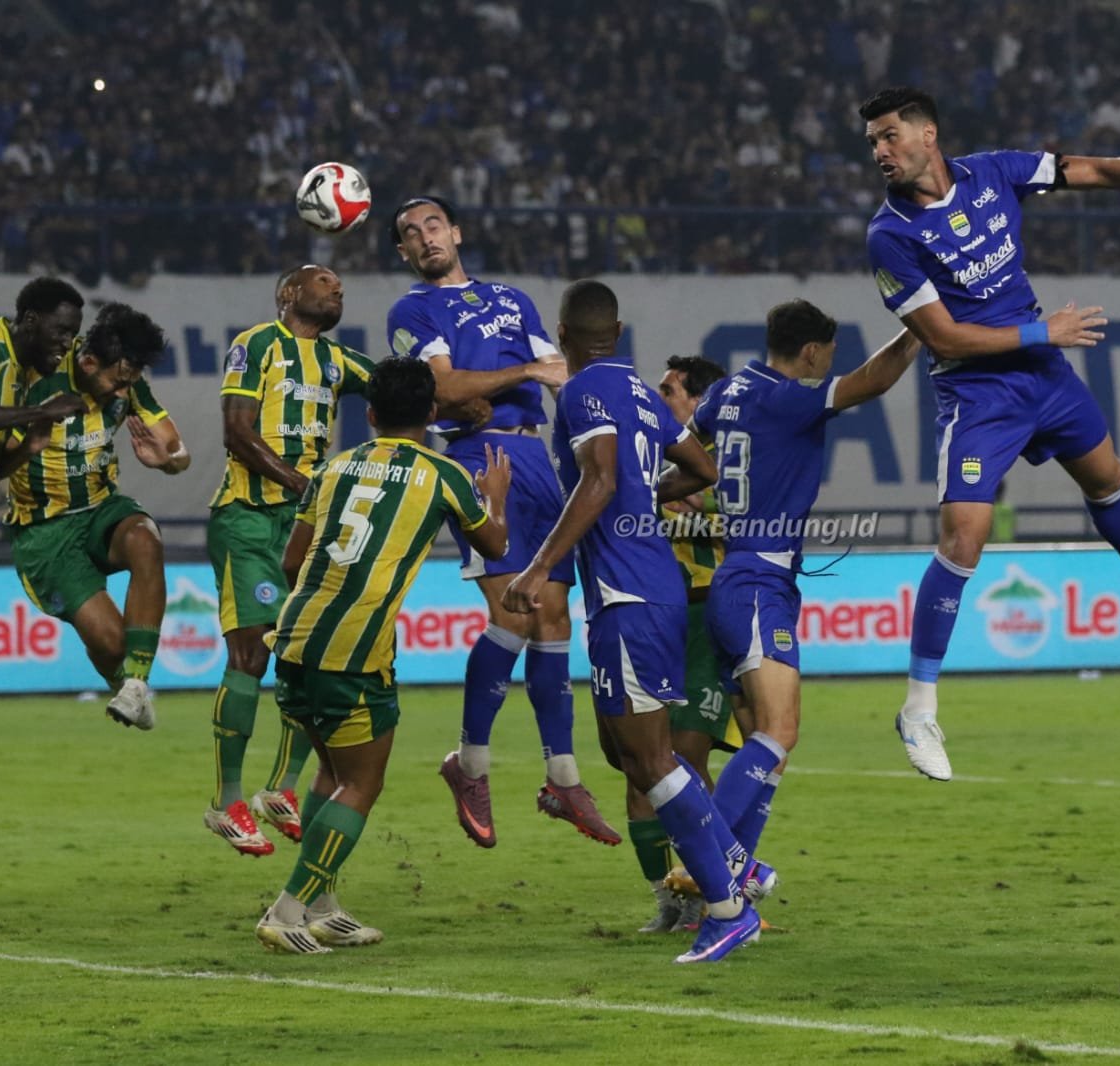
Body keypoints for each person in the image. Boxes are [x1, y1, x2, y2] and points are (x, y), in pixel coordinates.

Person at [857, 86, 1120, 782]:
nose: (880, 152)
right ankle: (918, 707)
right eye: (873, 143)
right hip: (979, 392)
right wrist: (1045, 331)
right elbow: (944, 337)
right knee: (963, 538)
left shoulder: (993, 172)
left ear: (927, 134)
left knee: (1108, 477)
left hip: (1045, 375)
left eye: (889, 136)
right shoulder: (890, 235)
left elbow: (1086, 169)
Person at [500, 280, 757, 964]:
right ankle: (737, 869)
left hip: (627, 593)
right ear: (617, 333)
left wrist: (538, 567)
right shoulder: (641, 392)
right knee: (630, 754)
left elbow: (601, 479)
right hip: (656, 590)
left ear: (563, 334)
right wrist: (648, 495)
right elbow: (701, 468)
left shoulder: (581, 391)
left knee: (650, 760)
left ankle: (730, 902)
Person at [255, 356, 511, 954]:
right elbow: (495, 544)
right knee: (361, 784)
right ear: (432, 411)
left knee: (331, 772)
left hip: (295, 637)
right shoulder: (444, 475)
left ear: (369, 414)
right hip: (355, 651)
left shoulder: (331, 467)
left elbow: (292, 562)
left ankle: (322, 906)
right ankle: (287, 910)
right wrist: (494, 498)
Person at [386, 196, 618, 849]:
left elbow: (562, 374)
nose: (426, 237)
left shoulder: (513, 299)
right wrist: (517, 374)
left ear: (456, 232)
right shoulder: (412, 310)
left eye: (434, 225)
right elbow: (444, 389)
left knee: (553, 617)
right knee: (514, 612)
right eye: (412, 233)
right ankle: (470, 762)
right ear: (404, 252)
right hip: (478, 458)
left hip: (537, 458)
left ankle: (563, 779)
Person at [689, 300, 921, 912]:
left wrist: (655, 494)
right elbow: (871, 382)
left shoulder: (725, 393)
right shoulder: (788, 398)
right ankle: (708, 857)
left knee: (765, 748)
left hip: (735, 578)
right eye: (827, 356)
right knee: (780, 732)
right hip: (759, 582)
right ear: (812, 352)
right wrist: (920, 327)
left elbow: (689, 456)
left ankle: (727, 901)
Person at [203, 265, 377, 858]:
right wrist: (306, 485)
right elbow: (236, 431)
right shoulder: (256, 345)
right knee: (252, 655)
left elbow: (399, 388)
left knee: (309, 656)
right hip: (250, 519)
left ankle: (280, 789)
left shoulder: (337, 360)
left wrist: (471, 398)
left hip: (303, 525)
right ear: (289, 294)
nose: (337, 288)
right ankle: (225, 802)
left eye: (340, 284)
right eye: (324, 281)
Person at [9, 302, 190, 729]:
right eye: (116, 381)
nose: (121, 390)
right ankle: (123, 680)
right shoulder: (35, 378)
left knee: (145, 538)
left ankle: (137, 684)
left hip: (101, 511)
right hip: (46, 533)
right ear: (89, 362)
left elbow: (178, 450)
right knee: (111, 647)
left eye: (129, 381)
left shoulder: (128, 384)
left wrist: (168, 462)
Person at [631, 354, 740, 934]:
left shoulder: (730, 462)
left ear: (699, 401)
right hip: (646, 621)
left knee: (686, 761)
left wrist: (705, 506)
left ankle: (708, 891)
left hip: (703, 621)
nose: (658, 397)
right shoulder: (647, 456)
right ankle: (666, 899)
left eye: (669, 390)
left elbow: (762, 522)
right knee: (639, 768)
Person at [0, 277, 87, 698]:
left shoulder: (21, 374)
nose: (66, 344)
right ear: (30, 320)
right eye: (61, 331)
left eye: (73, 335)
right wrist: (37, 412)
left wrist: (30, 446)